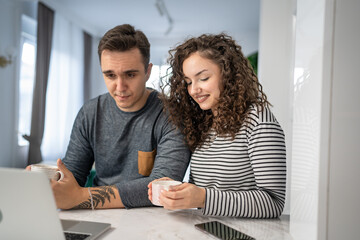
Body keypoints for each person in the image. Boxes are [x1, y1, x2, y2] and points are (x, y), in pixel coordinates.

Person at [45, 24, 190, 210]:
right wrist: (45, 182)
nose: (120, 87)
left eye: (130, 74)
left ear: (148, 72)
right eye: (110, 75)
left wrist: (83, 196)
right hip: (97, 214)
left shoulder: (172, 114)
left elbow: (163, 185)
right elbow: (73, 174)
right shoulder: (90, 113)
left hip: (150, 220)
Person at [148, 33, 286, 218]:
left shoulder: (258, 120)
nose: (194, 90)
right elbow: (209, 192)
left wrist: (203, 198)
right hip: (208, 229)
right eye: (188, 82)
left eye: (203, 78)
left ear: (228, 74)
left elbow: (273, 203)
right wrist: (178, 191)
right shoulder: (205, 122)